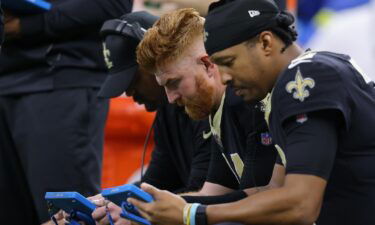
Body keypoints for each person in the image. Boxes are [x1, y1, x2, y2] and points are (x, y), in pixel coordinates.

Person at [128, 0, 375, 225]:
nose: (223, 77)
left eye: (228, 62)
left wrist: (191, 214)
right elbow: (272, 190)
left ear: (265, 43)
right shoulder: (284, 89)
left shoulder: (306, 76)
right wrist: (167, 207)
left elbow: (300, 205)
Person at [0, 0, 132, 224]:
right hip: (7, 77)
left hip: (63, 77)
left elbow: (113, 4)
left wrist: (29, 25)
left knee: (64, 215)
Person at [136, 8, 276, 203]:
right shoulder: (217, 109)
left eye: (174, 82)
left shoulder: (245, 103)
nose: (170, 98)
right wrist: (134, 208)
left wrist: (152, 212)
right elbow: (212, 193)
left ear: (207, 64)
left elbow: (258, 201)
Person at [89, 11, 212, 225]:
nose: (129, 93)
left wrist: (136, 212)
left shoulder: (204, 106)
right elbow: (158, 179)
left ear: (154, 63)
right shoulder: (167, 110)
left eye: (133, 81)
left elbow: (205, 194)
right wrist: (102, 202)